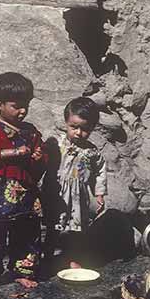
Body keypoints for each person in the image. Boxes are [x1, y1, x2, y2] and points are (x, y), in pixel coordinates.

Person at [0, 72, 45, 293]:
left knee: (26, 231)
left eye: (26, 106)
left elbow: (39, 159)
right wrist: (16, 152)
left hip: (25, 192)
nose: (22, 111)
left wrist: (39, 157)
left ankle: (22, 271)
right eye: (16, 106)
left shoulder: (30, 131)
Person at [43, 97, 108, 269]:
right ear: (66, 122)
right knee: (53, 227)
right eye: (74, 127)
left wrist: (99, 193)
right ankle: (47, 256)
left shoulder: (91, 152)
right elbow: (41, 161)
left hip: (78, 196)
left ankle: (73, 258)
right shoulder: (56, 144)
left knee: (76, 230)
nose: (78, 133)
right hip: (56, 194)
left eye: (85, 129)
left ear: (92, 128)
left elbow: (100, 171)